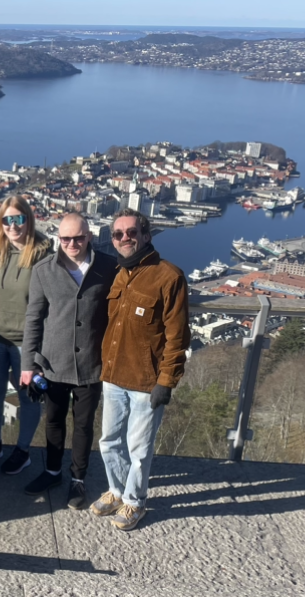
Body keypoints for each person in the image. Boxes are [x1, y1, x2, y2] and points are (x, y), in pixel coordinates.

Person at [91, 209, 190, 531]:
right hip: (113, 375)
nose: (124, 239)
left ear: (146, 235)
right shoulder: (119, 274)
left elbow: (178, 336)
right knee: (108, 441)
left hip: (147, 381)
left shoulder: (168, 276)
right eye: (118, 234)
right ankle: (117, 491)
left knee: (139, 447)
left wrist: (167, 381)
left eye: (131, 232)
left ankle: (135, 501)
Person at [19, 212, 117, 509]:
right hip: (53, 362)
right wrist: (27, 364)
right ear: (57, 239)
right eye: (65, 238)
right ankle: (51, 471)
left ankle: (78, 479)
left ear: (89, 236)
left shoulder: (109, 267)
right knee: (54, 421)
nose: (72, 243)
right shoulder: (43, 270)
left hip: (93, 362)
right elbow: (33, 318)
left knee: (84, 425)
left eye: (78, 237)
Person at [0, 195, 52, 472]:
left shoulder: (43, 254)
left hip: (27, 343)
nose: (13, 226)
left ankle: (23, 450)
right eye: (7, 220)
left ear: (28, 219)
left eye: (19, 219)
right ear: (0, 222)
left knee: (28, 396)